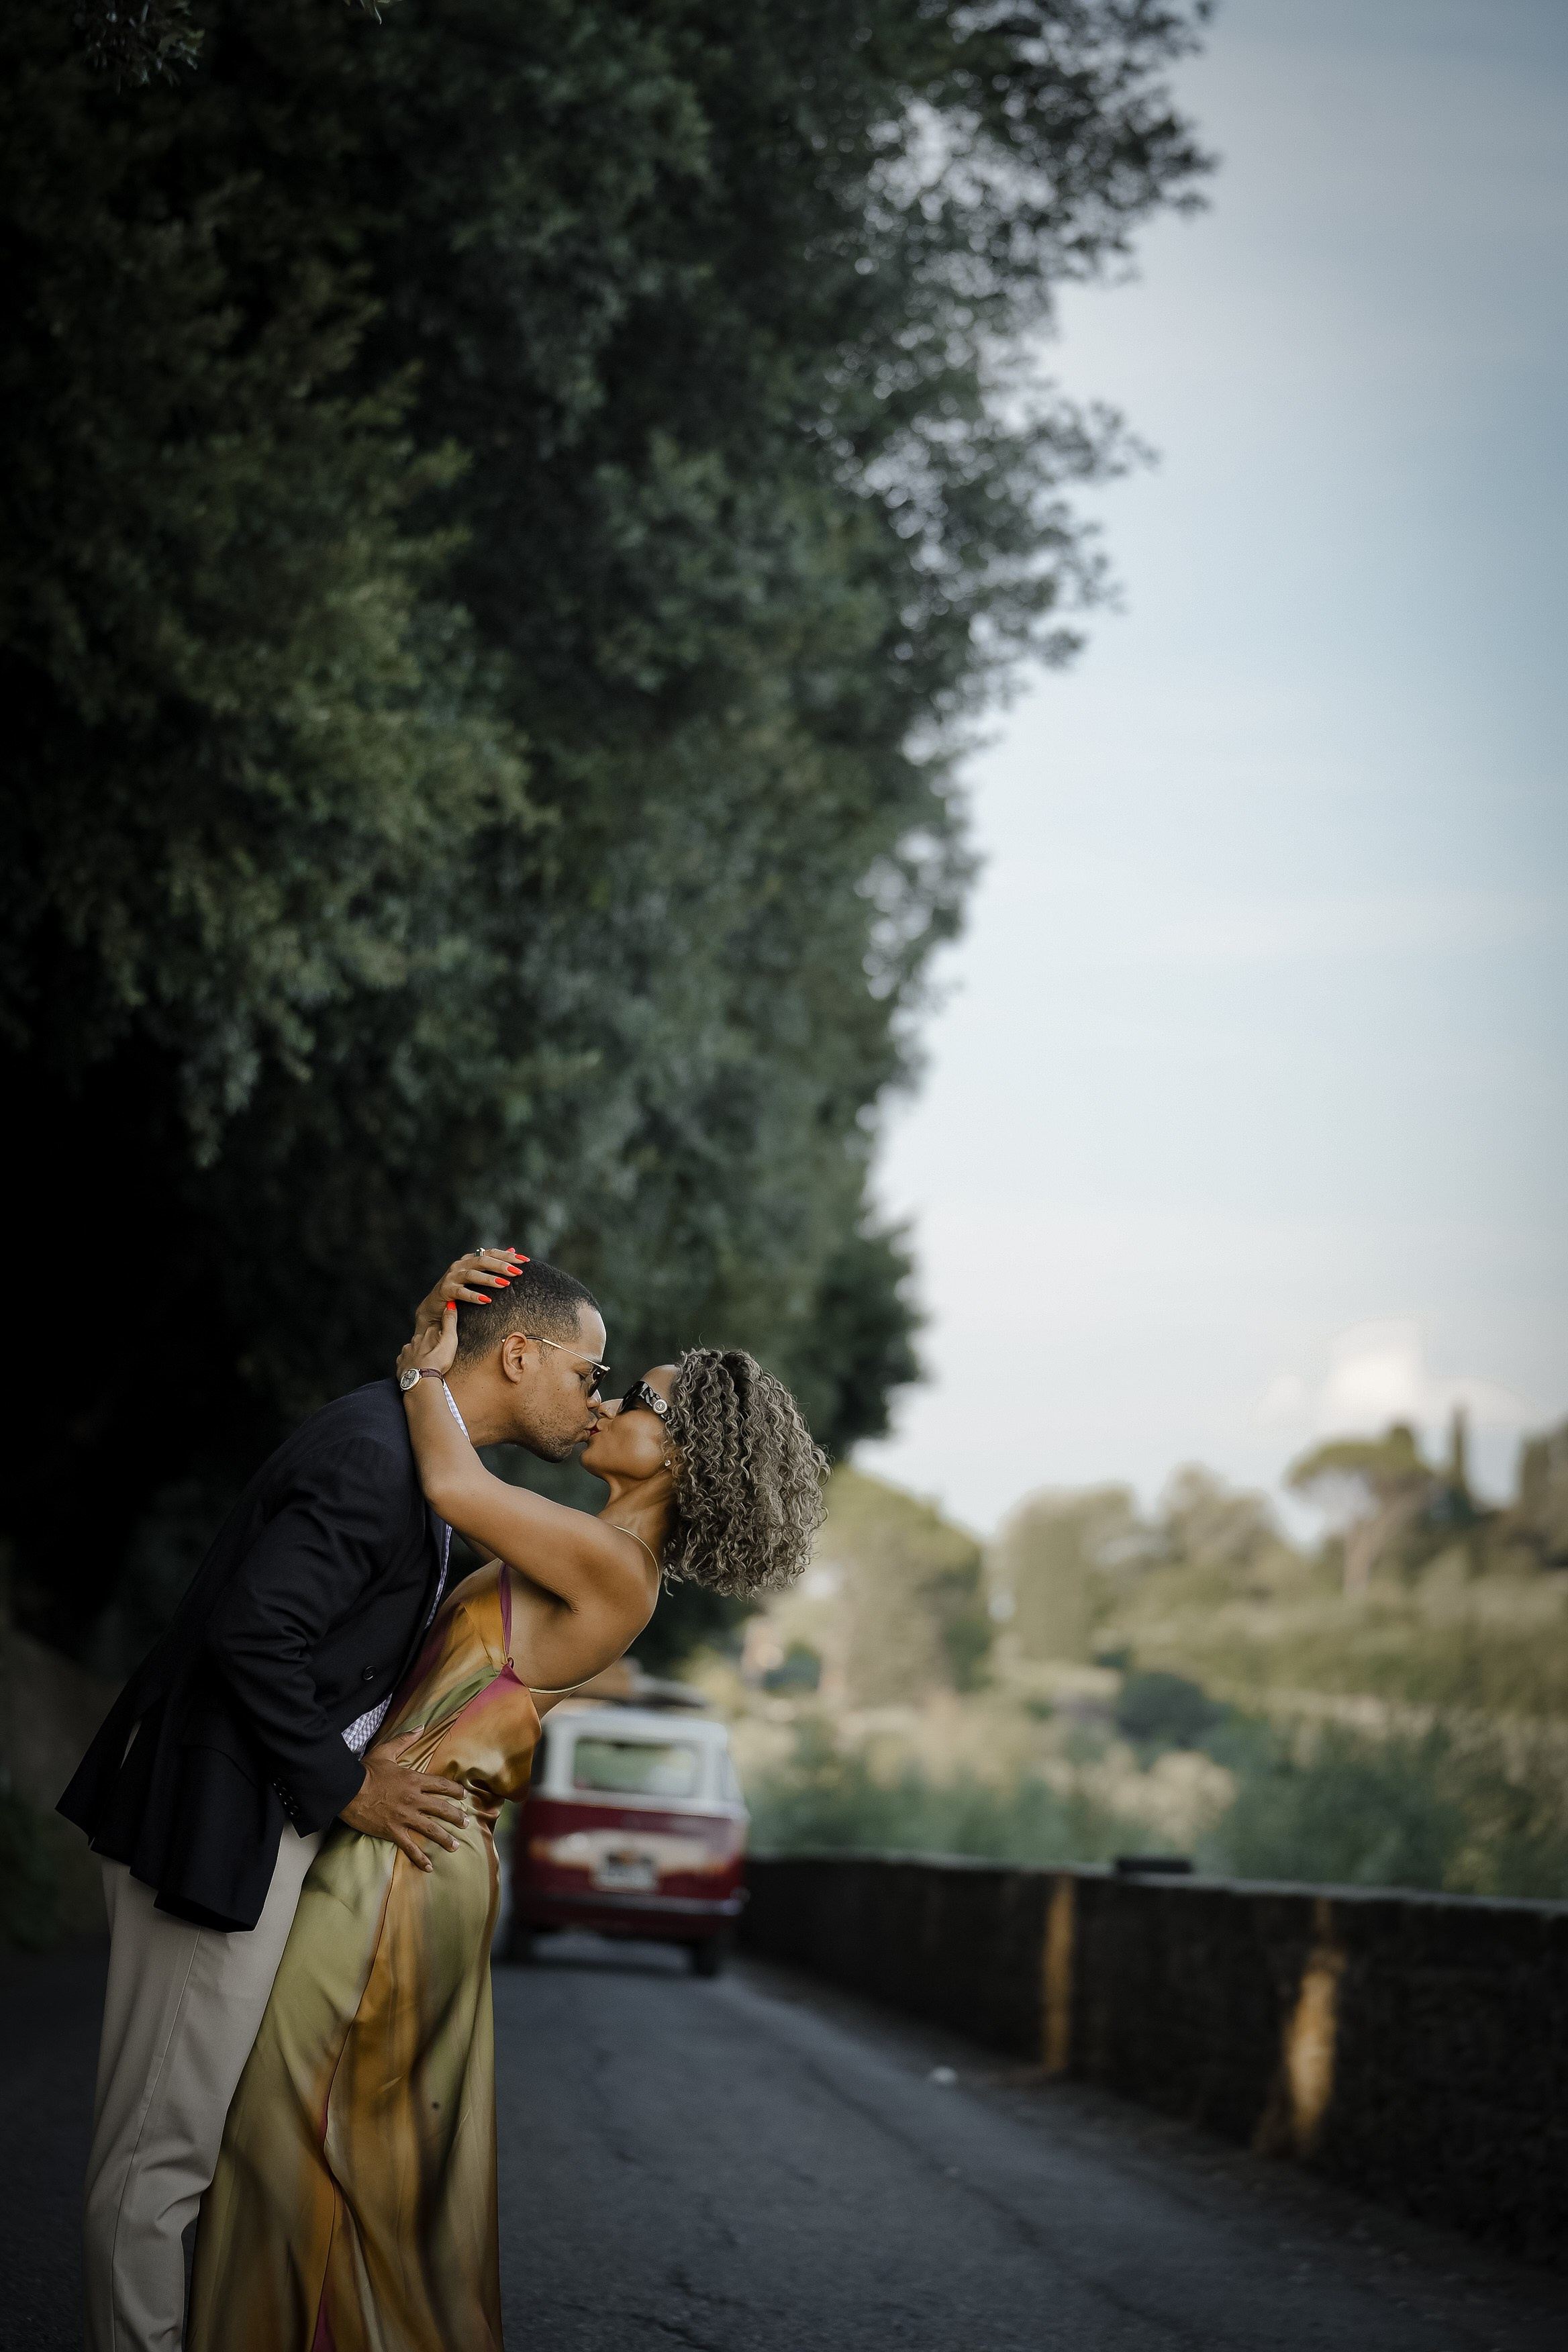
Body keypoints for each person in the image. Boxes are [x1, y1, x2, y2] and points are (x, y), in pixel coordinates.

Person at [185, 1294, 827, 2352]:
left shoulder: (617, 1569)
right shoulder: (593, 1547)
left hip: (405, 1860)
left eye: (640, 1397)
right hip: (407, 1843)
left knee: (301, 2128)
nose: (609, 1402)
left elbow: (451, 1484)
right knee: (327, 2136)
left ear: (680, 1454)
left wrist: (421, 1370)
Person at [60, 1248, 611, 2352]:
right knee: (159, 2157)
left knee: (200, 2145)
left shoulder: (415, 1451)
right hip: (212, 1827)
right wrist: (348, 1784)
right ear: (519, 1353)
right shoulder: (374, 1453)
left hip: (258, 1819)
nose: (596, 1397)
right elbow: (254, 1631)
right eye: (588, 1371)